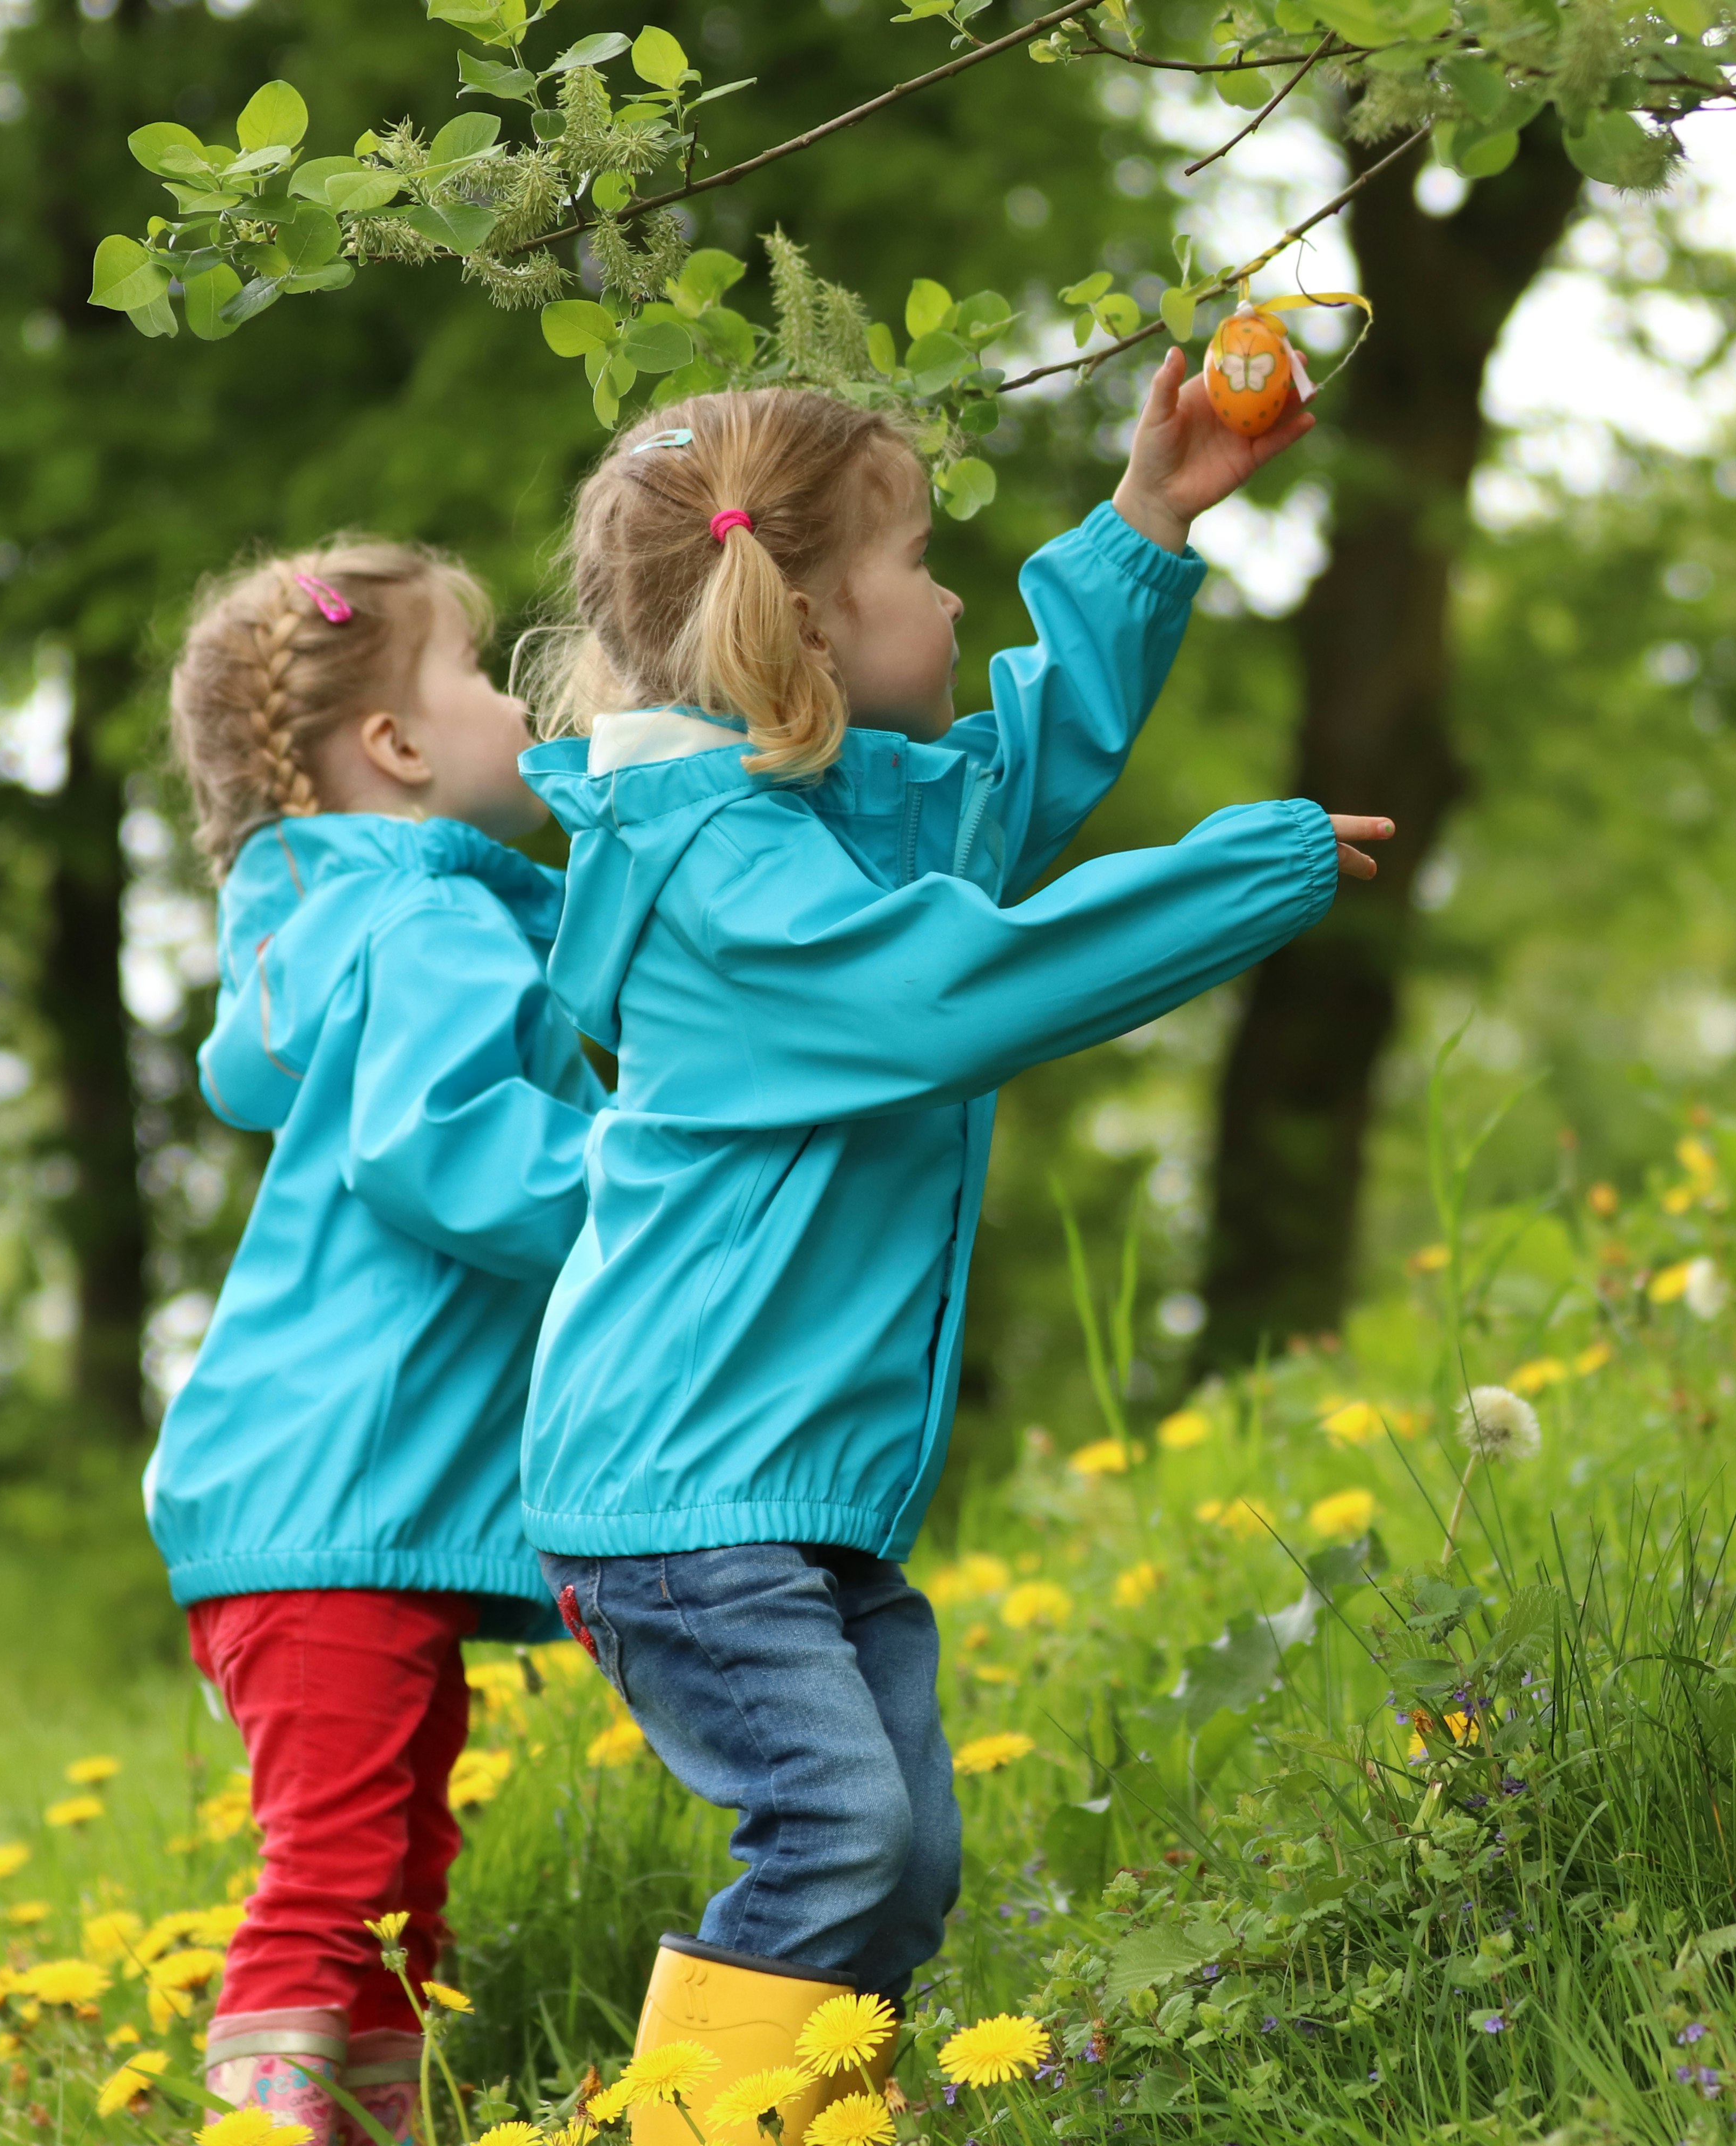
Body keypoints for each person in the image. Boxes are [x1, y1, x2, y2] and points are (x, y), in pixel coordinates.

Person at [520, 354, 1385, 2141]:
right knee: (846, 1834)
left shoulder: (819, 826)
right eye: (920, 570)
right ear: (812, 634)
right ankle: (690, 2129)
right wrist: (1250, 869)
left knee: (902, 1875)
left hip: (780, 1491)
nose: (949, 598)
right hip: (684, 1497)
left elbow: (1000, 790)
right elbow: (954, 990)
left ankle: (799, 2116)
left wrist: (1146, 525)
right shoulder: (732, 889)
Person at [146, 540, 601, 2145]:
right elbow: (441, 1146)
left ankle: (370, 2120)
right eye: (480, 674)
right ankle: (264, 2122)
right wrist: (635, 1182)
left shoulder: (361, 934)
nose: (514, 701)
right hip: (327, 1504)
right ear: (397, 749)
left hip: (318, 1505)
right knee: (335, 1876)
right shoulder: (431, 931)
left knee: (401, 1867)